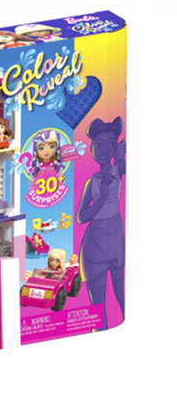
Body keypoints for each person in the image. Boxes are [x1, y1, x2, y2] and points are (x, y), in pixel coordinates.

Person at [77, 117, 125, 329]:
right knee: (97, 307)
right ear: (91, 149)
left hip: (115, 238)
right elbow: (81, 217)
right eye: (98, 145)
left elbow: (125, 165)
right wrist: (103, 197)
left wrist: (121, 155)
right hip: (94, 244)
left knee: (122, 295)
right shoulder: (92, 182)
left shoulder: (118, 170)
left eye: (110, 144)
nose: (104, 150)